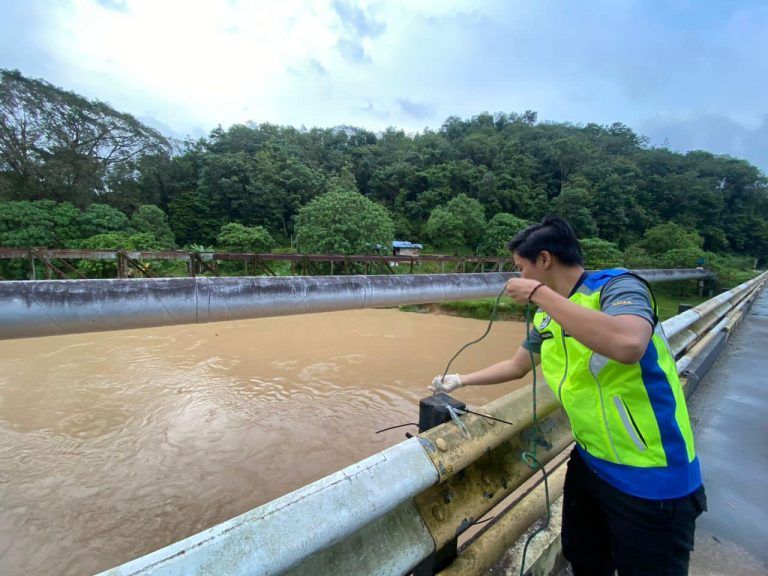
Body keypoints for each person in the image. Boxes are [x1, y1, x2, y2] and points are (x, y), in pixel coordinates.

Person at [432, 216, 706, 576]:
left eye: (520, 268)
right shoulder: (548, 318)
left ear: (544, 260)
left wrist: (537, 294)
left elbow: (628, 343)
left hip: (653, 479)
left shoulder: (617, 287)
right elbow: (517, 366)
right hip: (591, 464)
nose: (517, 278)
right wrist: (460, 380)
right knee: (585, 560)